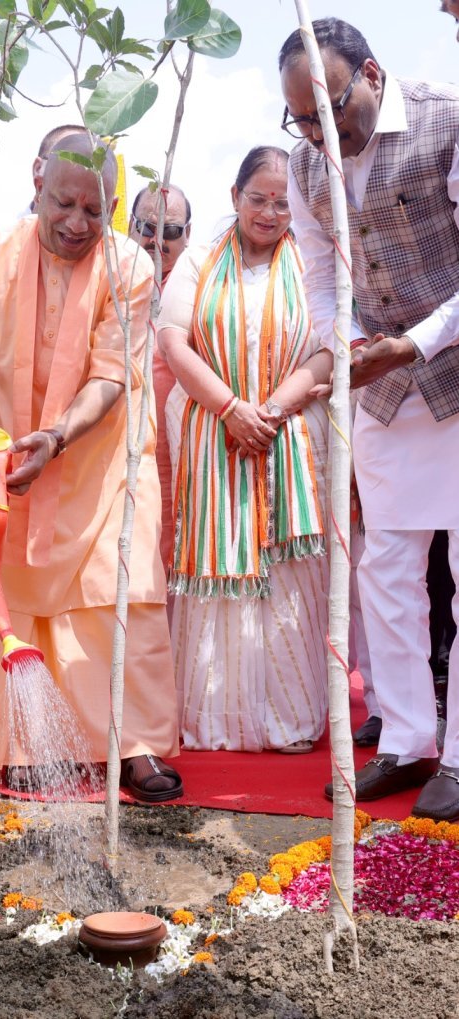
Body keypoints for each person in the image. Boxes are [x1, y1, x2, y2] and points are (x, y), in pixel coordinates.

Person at [0, 133, 182, 801]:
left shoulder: (130, 266)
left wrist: (54, 438)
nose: (78, 224)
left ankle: (134, 748)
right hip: (11, 456)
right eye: (64, 203)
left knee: (123, 594)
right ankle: (26, 744)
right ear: (37, 180)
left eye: (95, 209)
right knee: (22, 599)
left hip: (103, 461)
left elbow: (113, 376)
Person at [280, 17, 459, 819]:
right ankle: (406, 741)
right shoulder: (302, 165)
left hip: (450, 371)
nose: (320, 132)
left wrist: (408, 345)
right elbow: (320, 276)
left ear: (372, 76)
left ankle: (458, 760)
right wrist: (347, 345)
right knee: (386, 574)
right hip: (382, 395)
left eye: (329, 108)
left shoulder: (447, 122)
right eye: (302, 118)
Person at [158, 146, 331, 754]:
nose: (269, 211)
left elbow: (329, 348)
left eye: (283, 202)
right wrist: (231, 410)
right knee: (216, 566)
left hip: (288, 436)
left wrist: (272, 410)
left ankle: (289, 717)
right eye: (257, 198)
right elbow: (174, 340)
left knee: (288, 581)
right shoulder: (202, 258)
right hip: (213, 435)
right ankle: (213, 719)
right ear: (235, 197)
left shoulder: (313, 260)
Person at [128, 184, 191, 576]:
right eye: (147, 227)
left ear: (188, 235)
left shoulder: (199, 289)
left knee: (168, 564)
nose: (157, 241)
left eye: (170, 232)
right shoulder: (111, 278)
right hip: (117, 452)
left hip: (177, 453)